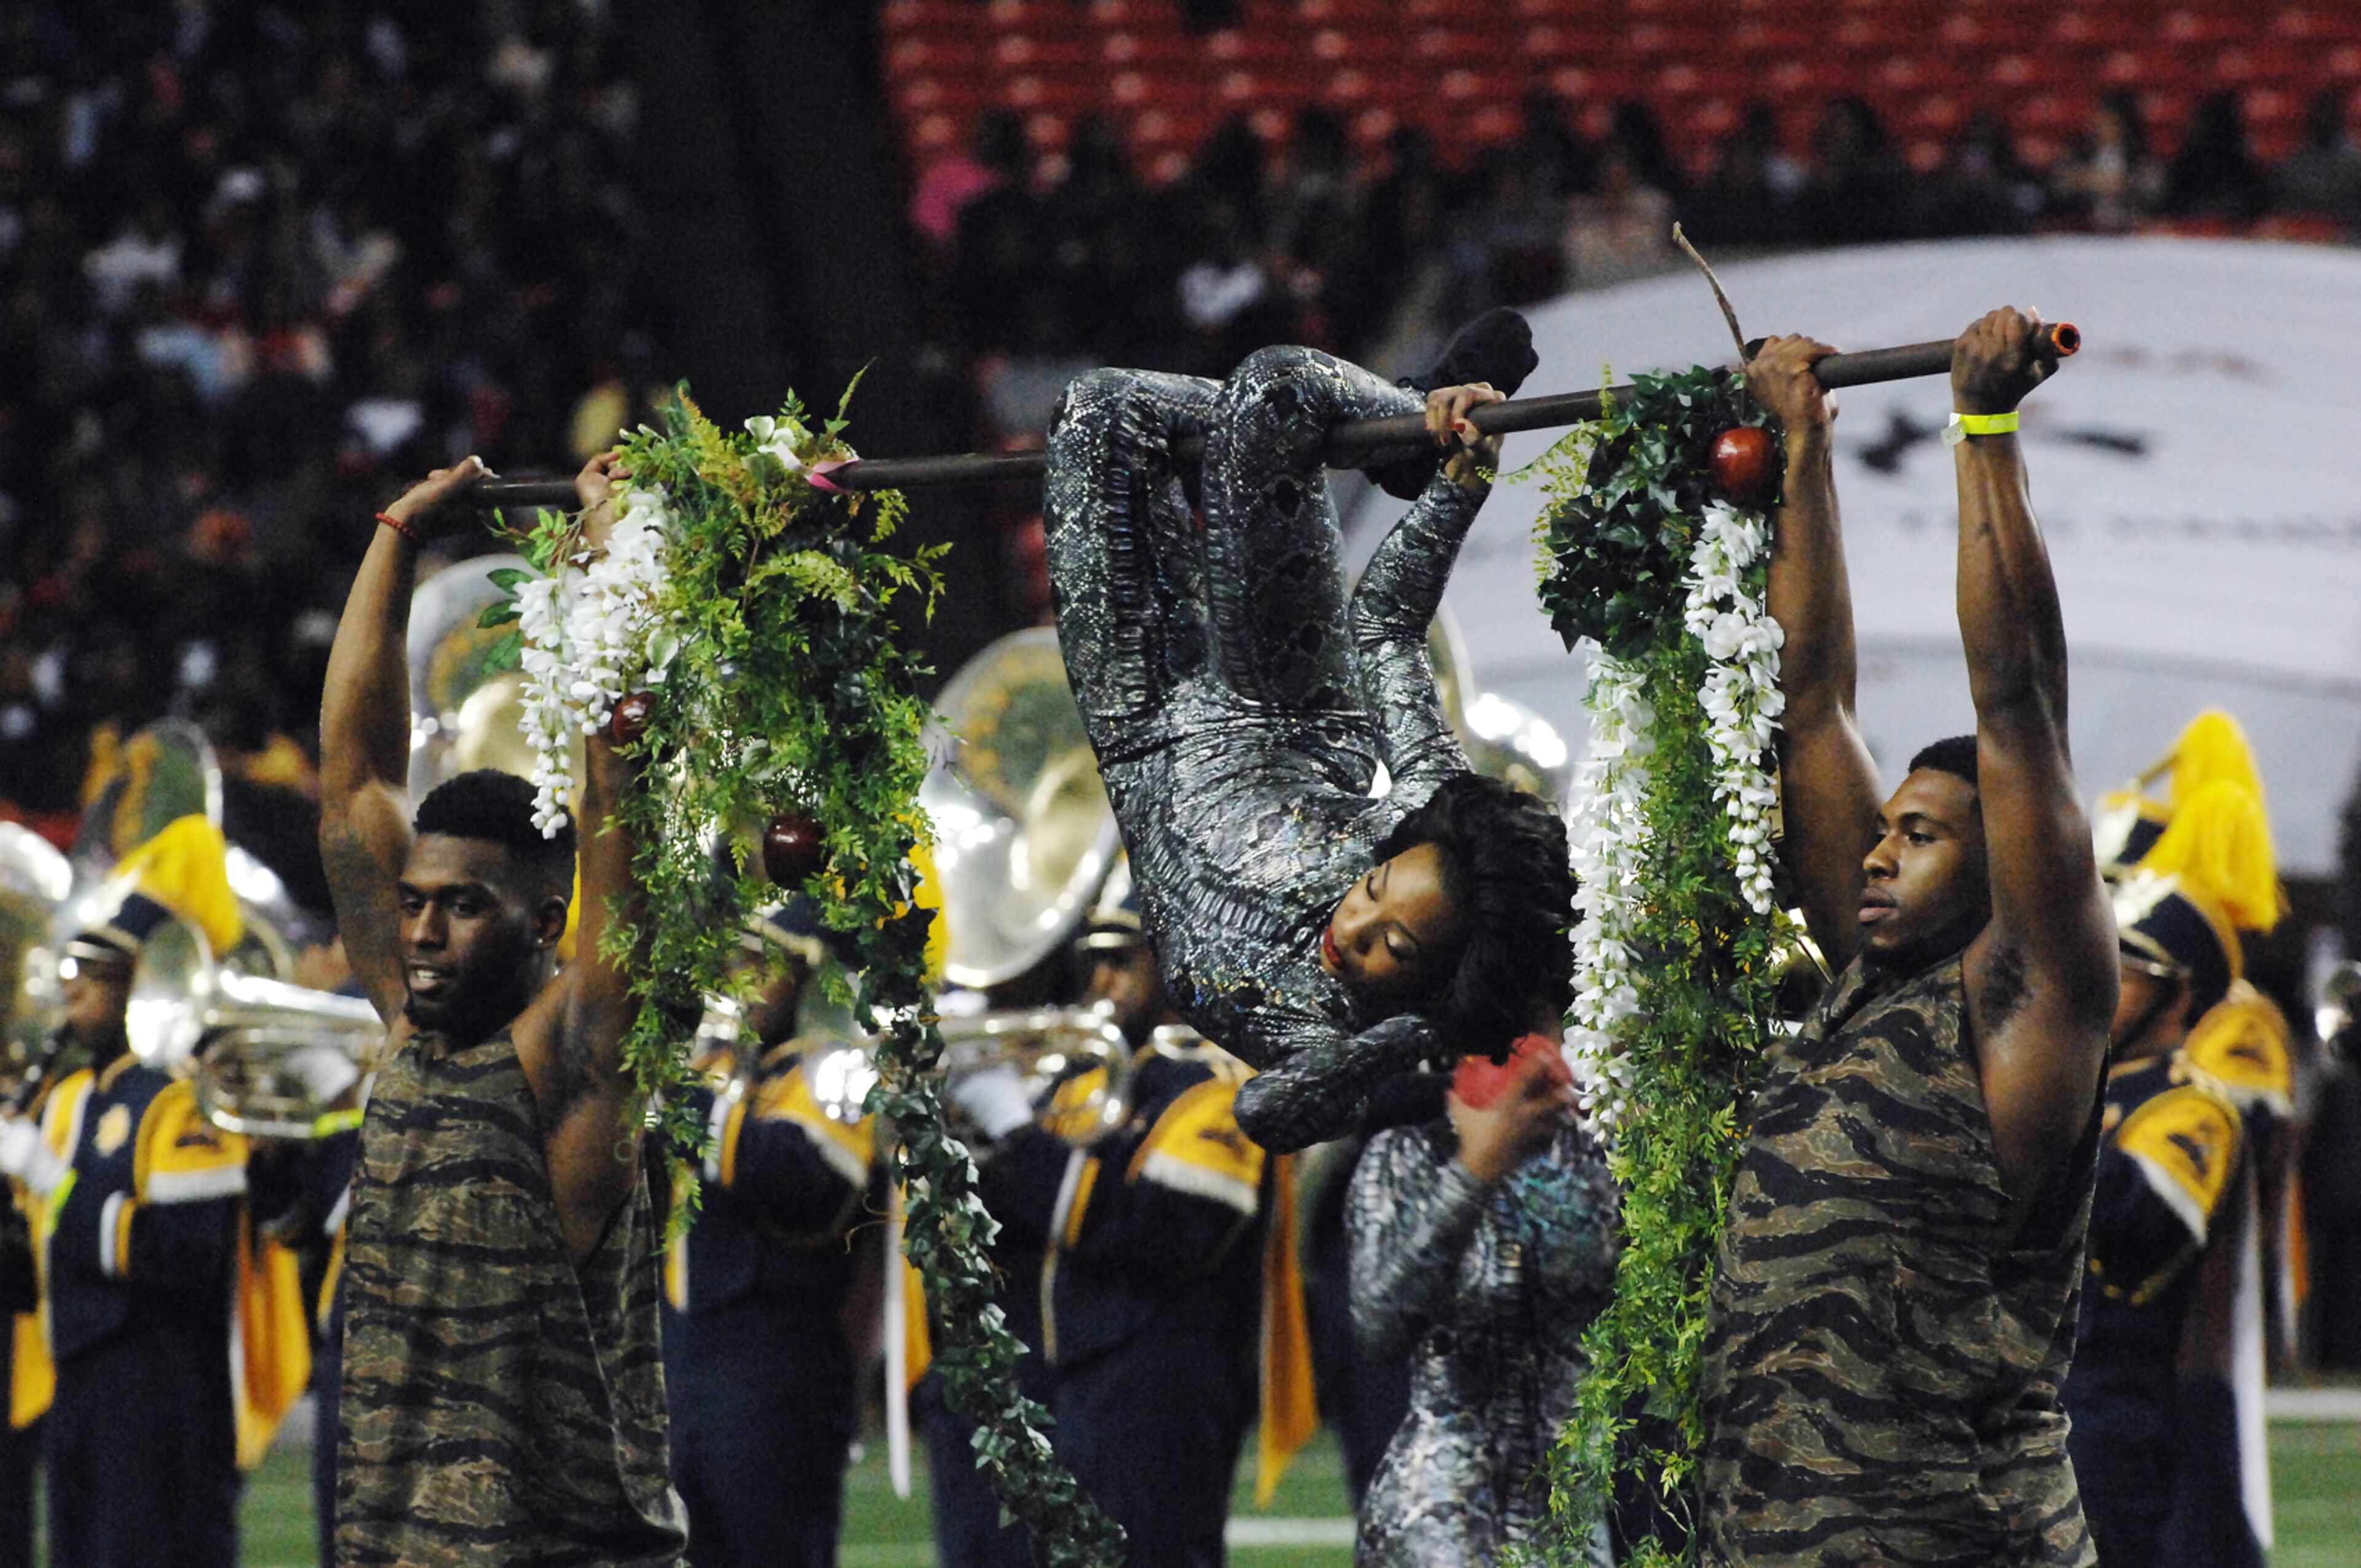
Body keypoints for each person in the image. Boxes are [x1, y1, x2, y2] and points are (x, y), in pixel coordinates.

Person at [1698, 312, 2118, 1565]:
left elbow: (2019, 700)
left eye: (1926, 836)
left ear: (2006, 872)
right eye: (1888, 830)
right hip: (1769, 1542)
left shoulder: (2026, 1000)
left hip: (1956, 1542)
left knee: (2008, 724)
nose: (1879, 853)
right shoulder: (1863, 982)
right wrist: (1799, 445)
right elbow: (1813, 694)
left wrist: (1983, 431)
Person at [1040, 314, 1576, 1154]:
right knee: (1273, 386)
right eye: (1374, 891)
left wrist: (1425, 1032)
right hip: (1283, 710)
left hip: (1138, 730)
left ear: (1436, 985)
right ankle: (1401, 435)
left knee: (1098, 410)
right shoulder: (1433, 805)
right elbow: (1385, 629)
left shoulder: (1326, 1035)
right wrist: (1458, 490)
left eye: (1393, 944)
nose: (1353, 927)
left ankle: (1345, 433)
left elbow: (1267, 1114)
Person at [317, 453, 684, 1566]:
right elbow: (352, 774)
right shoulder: (411, 1032)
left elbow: (619, 785)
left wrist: (617, 561)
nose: (421, 932)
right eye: (416, 902)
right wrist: (398, 531)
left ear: (545, 920)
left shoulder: (573, 1061)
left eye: (463, 908)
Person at [951, 892, 1315, 1568]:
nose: (1101, 982)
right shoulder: (1096, 1082)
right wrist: (961, 1130)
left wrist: (1011, 1124)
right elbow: (1014, 1222)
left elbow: (1159, 1234)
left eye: (1123, 960)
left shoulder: (1218, 1086)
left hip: (1164, 1395)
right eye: (1096, 962)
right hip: (1079, 1382)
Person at [0, 869, 251, 1568]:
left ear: (143, 982)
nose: (72, 988)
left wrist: (51, 1179)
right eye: (70, 968)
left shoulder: (182, 1101)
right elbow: (33, 1270)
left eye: (96, 972)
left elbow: (183, 1259)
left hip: (159, 1388)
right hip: (76, 1379)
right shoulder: (67, 1098)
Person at [2064, 791, 2279, 1567]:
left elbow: (2138, 1226)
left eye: (2127, 966)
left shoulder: (2192, 1109)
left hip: (2113, 1413)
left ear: (2180, 989)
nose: (2102, 979)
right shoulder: (2092, 1088)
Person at [663, 908, 879, 1568]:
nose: (740, 981)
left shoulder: (835, 1072)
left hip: (779, 1380)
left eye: (763, 965)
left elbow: (802, 1180)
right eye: (738, 963)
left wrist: (678, 1092)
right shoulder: (733, 1077)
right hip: (687, 1365)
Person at [1348, 1039, 1617, 1567]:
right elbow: (1377, 1324)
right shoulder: (1404, 1157)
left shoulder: (1605, 1163)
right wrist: (1477, 1170)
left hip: (1575, 1516)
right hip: (1440, 1516)